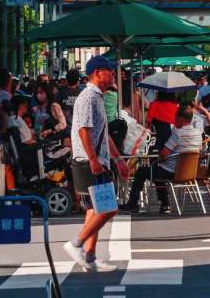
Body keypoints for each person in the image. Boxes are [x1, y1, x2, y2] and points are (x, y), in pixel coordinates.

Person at [65, 54, 127, 273]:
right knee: (108, 208)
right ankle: (76, 244)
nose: (113, 75)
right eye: (109, 71)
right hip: (88, 161)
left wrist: (118, 159)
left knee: (95, 210)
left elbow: (104, 133)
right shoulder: (88, 96)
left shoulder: (98, 96)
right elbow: (83, 129)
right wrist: (93, 158)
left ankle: (89, 256)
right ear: (97, 73)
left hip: (97, 160)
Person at [128, 104, 210, 214]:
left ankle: (133, 204)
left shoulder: (178, 133)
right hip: (190, 172)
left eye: (175, 118)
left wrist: (160, 154)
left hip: (172, 171)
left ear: (180, 119)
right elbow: (199, 151)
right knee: (157, 169)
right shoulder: (197, 133)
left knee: (142, 171)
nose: (174, 120)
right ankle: (164, 205)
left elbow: (164, 154)